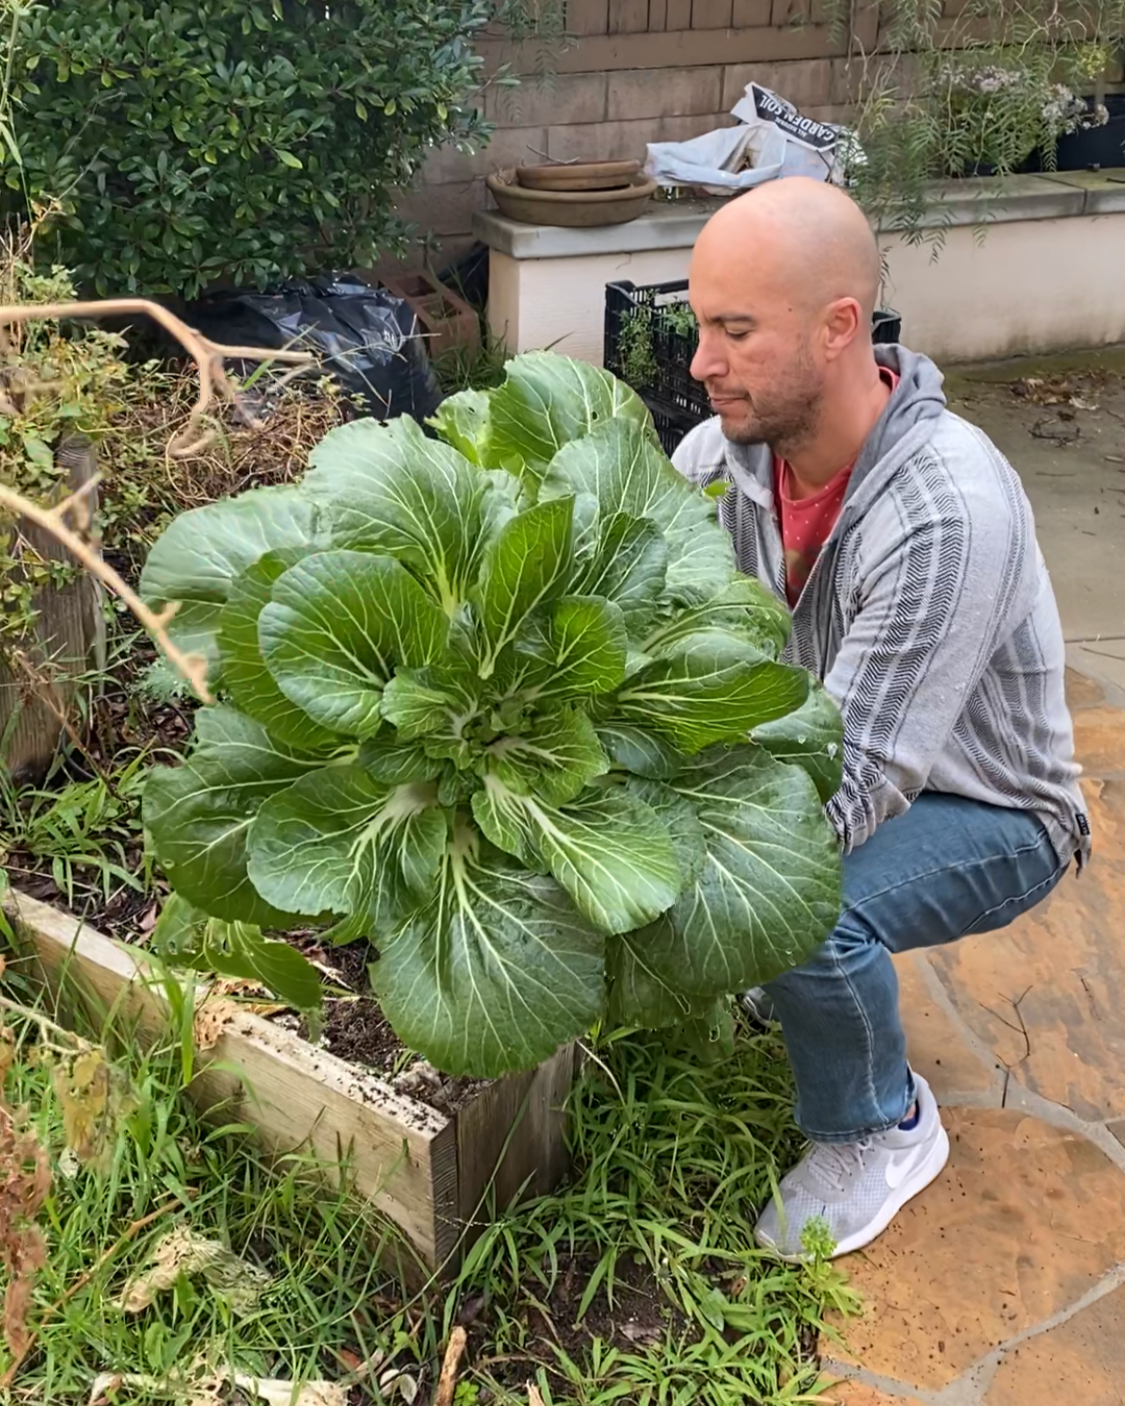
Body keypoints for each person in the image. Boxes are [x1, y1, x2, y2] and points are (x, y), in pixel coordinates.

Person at [672, 176, 1090, 1261]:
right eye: (700, 325)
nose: (701, 362)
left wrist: (692, 867)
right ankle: (794, 982)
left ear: (838, 327)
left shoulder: (945, 508)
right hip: (834, 749)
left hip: (990, 804)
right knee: (758, 893)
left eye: (735, 331)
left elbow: (858, 781)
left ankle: (879, 1125)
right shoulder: (716, 464)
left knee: (799, 908)